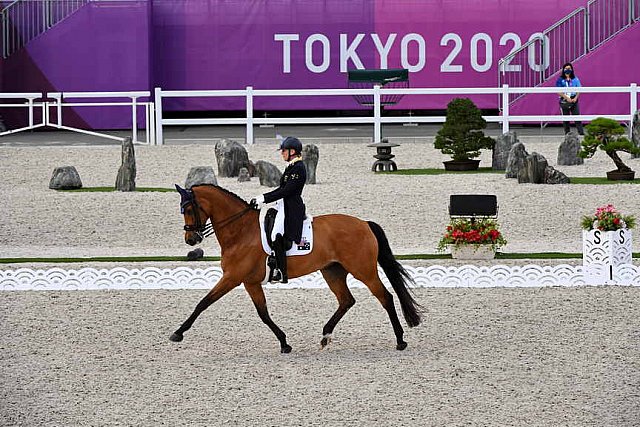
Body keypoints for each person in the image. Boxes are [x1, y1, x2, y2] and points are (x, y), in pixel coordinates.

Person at [250, 136, 307, 283]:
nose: (282, 153)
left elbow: (286, 191)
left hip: (291, 207)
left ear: (292, 151)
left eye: (284, 151)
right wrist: (263, 198)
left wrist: (264, 198)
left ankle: (281, 272)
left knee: (276, 234)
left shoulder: (299, 168)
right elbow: (281, 189)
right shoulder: (291, 167)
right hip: (282, 204)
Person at [555, 62, 584, 135]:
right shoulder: (560, 80)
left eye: (569, 68)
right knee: (566, 118)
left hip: (574, 99)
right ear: (563, 69)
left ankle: (581, 133)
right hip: (564, 99)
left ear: (572, 69)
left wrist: (575, 98)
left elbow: (579, 89)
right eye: (566, 68)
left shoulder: (575, 79)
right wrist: (566, 98)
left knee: (577, 116)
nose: (568, 70)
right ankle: (567, 133)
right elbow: (558, 91)